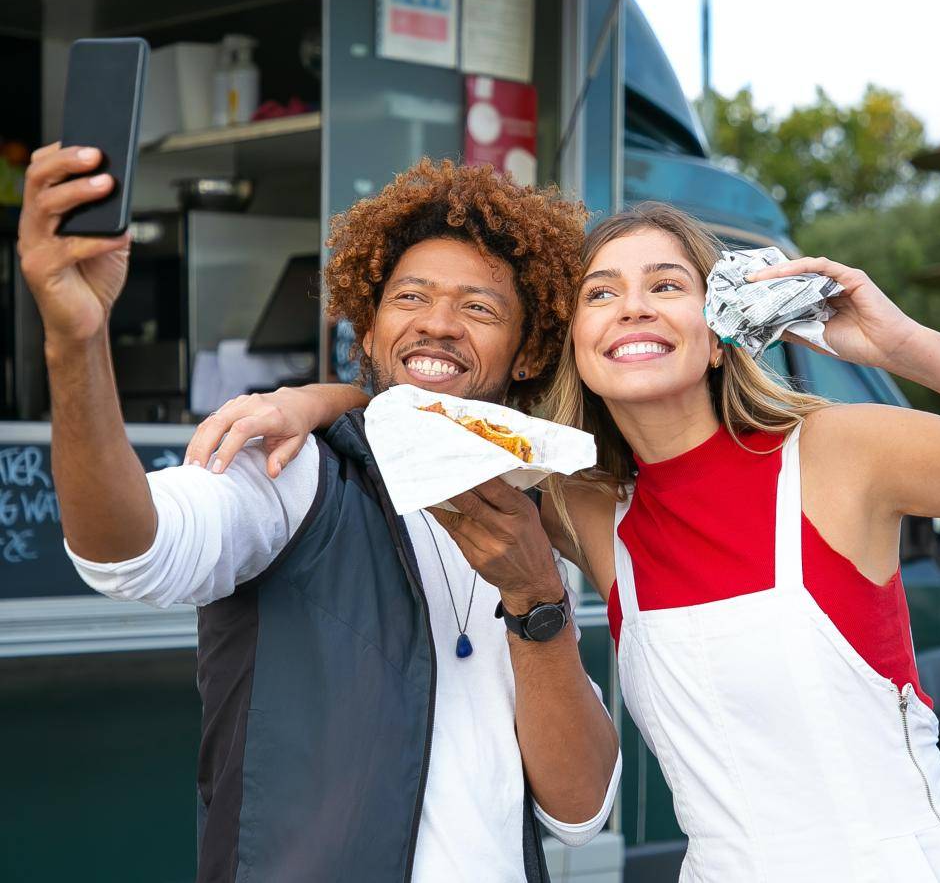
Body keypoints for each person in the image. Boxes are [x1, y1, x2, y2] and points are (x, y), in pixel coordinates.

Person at [197, 202, 940, 881]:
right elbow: (417, 405)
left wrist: (904, 347)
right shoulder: (585, 503)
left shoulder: (839, 452)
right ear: (576, 347)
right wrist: (305, 400)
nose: (632, 309)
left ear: (723, 334)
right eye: (602, 294)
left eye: (666, 286)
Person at [17, 146, 622, 883]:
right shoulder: (299, 473)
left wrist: (536, 602)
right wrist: (75, 343)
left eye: (478, 307)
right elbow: (127, 549)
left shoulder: (534, 516)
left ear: (526, 353)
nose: (438, 324)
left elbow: (580, 812)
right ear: (367, 332)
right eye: (409, 298)